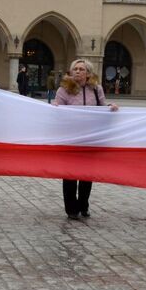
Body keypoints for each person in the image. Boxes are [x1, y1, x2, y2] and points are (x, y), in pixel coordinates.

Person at [52, 58, 119, 220]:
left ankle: (83, 205)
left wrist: (110, 107)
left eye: (82, 69)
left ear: (88, 73)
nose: (78, 71)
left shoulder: (96, 89)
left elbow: (102, 107)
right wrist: (54, 107)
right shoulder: (64, 90)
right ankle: (71, 209)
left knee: (87, 175)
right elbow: (57, 110)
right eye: (75, 69)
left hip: (90, 139)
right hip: (71, 140)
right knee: (69, 175)